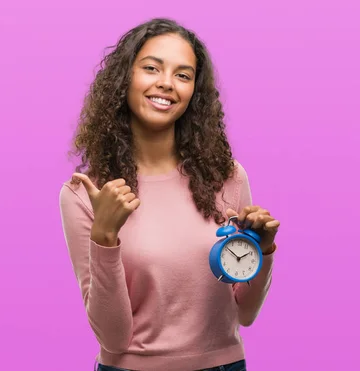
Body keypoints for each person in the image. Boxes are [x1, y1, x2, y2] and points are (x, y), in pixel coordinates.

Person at [58, 18, 280, 371]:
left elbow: (246, 314)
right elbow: (113, 339)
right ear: (124, 78)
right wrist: (104, 236)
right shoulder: (86, 192)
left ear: (194, 92)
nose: (166, 83)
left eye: (183, 75)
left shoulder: (226, 177)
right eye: (151, 68)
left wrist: (263, 250)